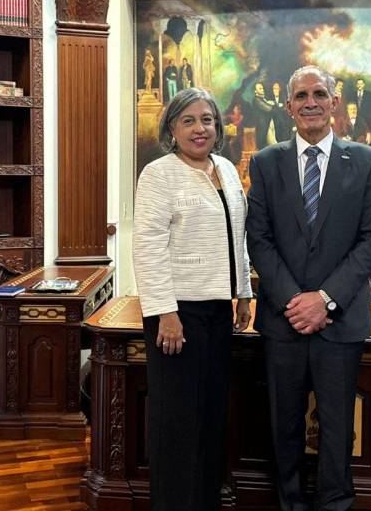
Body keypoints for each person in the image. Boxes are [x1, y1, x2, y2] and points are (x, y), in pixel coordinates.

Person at [246, 65, 371, 511]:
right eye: (301, 95)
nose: (310, 102)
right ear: (288, 106)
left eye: (319, 93)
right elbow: (259, 239)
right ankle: (289, 504)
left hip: (340, 319)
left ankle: (335, 504)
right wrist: (296, 301)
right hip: (283, 321)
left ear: (335, 102)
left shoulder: (367, 161)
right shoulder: (265, 163)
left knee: (337, 425)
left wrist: (324, 300)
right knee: (283, 424)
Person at [133, 87, 253, 511]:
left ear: (218, 127)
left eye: (207, 119)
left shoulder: (226, 169)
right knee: (177, 421)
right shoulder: (159, 174)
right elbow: (147, 245)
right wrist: (165, 312)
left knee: (210, 415)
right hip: (177, 314)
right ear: (171, 128)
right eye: (188, 120)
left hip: (219, 311)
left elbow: (237, 237)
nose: (200, 128)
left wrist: (243, 293)